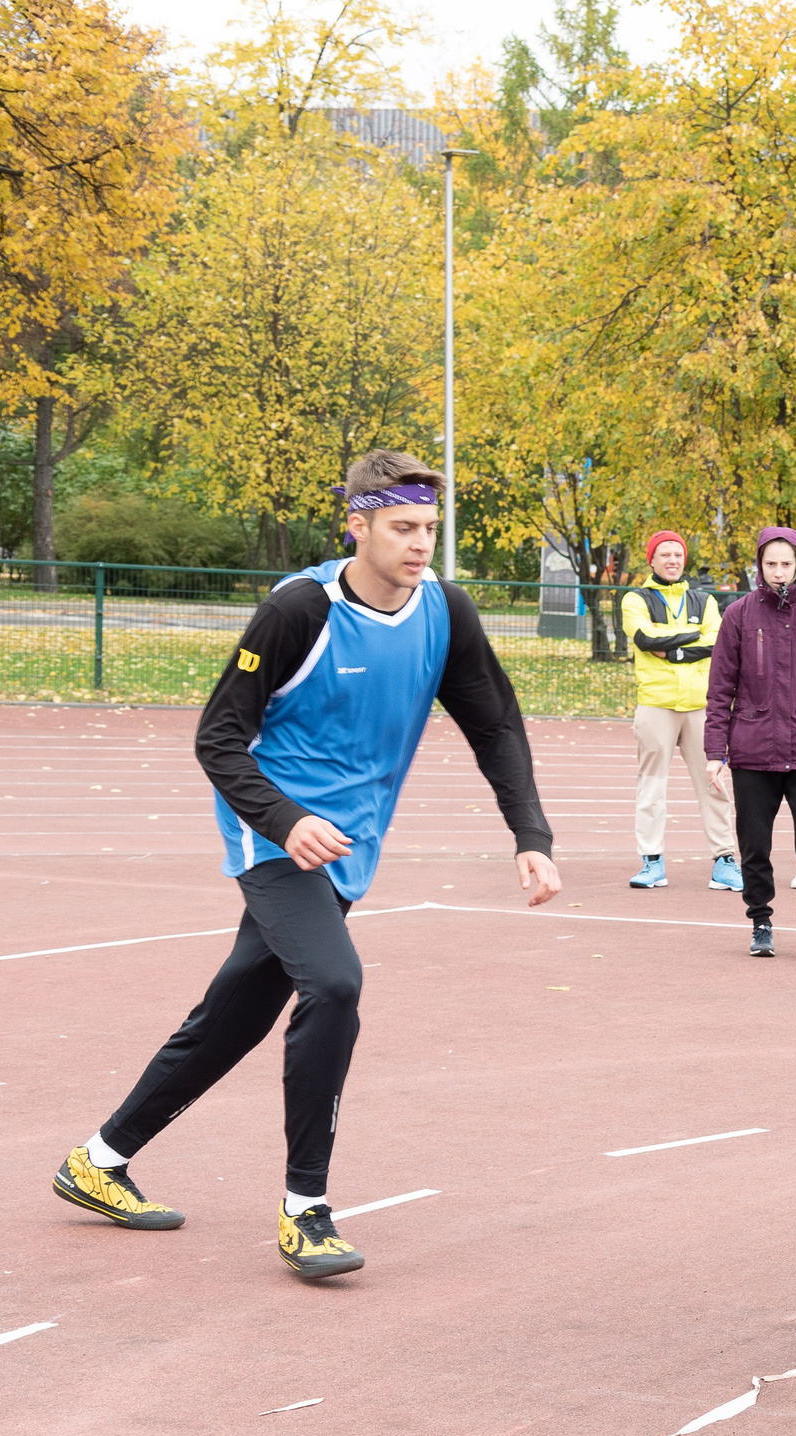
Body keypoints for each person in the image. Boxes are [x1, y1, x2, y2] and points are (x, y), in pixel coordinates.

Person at [51, 450, 560, 1278]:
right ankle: (305, 1210)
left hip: (347, 846)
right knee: (333, 983)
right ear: (357, 525)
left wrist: (530, 833)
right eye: (402, 526)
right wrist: (286, 821)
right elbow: (218, 737)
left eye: (429, 528)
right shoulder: (300, 609)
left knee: (238, 1011)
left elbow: (496, 724)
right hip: (273, 835)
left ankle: (99, 1159)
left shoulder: (445, 611)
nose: (420, 543)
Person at [705, 527, 796, 961]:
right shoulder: (738, 614)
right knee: (754, 844)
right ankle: (761, 922)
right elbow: (720, 689)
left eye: (786, 563)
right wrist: (715, 753)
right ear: (760, 565)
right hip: (752, 750)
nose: (778, 571)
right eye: (770, 563)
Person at [622, 530, 739, 893]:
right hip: (656, 703)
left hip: (701, 705)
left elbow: (716, 641)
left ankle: (724, 861)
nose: (672, 560)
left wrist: (671, 649)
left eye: (677, 555)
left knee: (713, 782)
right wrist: (691, 636)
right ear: (652, 560)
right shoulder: (635, 599)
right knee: (652, 784)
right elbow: (645, 639)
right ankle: (652, 861)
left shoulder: (704, 600)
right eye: (665, 554)